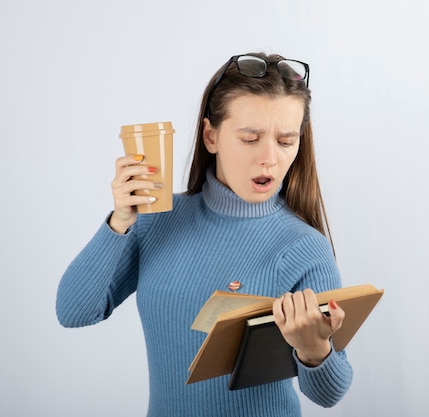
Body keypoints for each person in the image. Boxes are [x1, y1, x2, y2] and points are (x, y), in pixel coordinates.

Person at [56, 52, 353, 417]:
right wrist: (118, 222)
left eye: (286, 140)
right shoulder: (157, 220)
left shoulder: (303, 247)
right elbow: (73, 312)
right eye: (250, 138)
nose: (269, 158)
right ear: (211, 136)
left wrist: (314, 351)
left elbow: (330, 393)